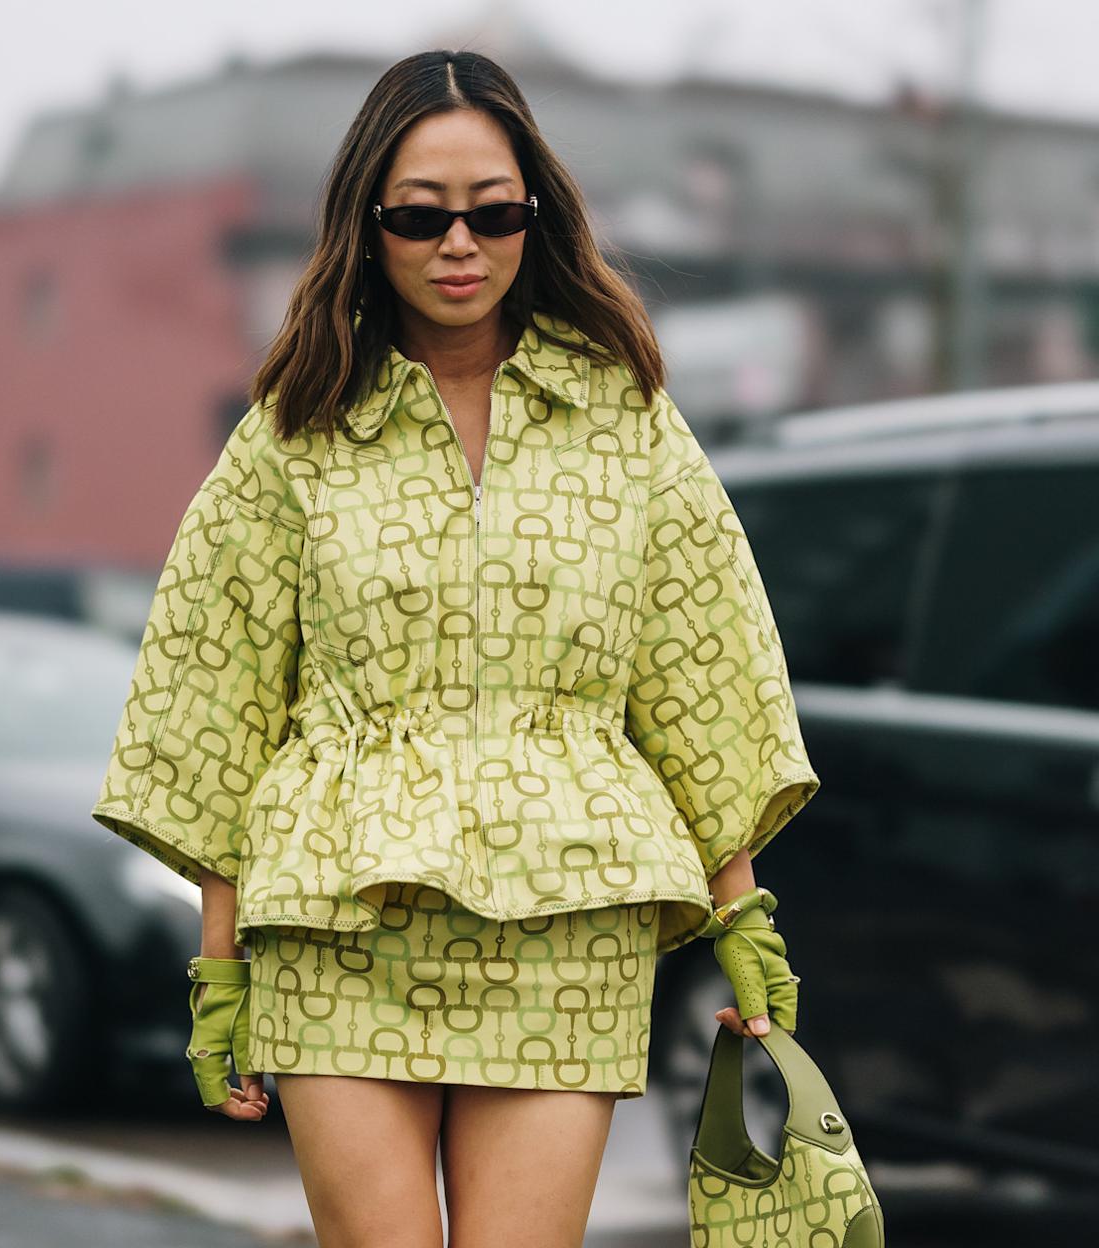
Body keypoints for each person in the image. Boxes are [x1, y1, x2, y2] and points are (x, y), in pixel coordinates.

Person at [92, 48, 819, 1248]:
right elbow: (211, 699)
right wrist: (217, 969)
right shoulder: (295, 432)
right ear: (366, 226)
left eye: (494, 212)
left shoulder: (624, 419)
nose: (460, 243)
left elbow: (703, 670)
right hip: (338, 920)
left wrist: (744, 924)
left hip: (567, 923)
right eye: (421, 216)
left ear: (538, 216)